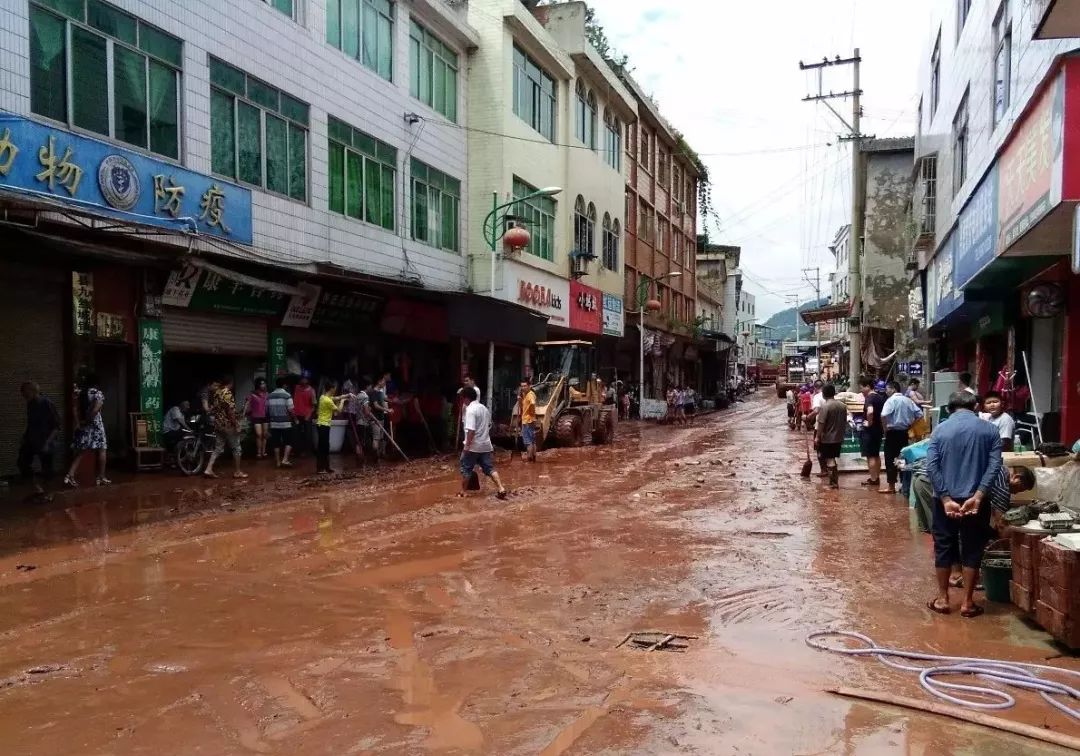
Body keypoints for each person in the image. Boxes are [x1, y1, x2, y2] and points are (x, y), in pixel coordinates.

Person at [924, 391, 1003, 618]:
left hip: (944, 502)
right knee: (973, 547)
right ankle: (968, 602)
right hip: (976, 501)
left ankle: (943, 599)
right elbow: (994, 465)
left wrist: (946, 499)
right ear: (976, 406)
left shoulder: (939, 430)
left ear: (950, 408)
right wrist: (978, 496)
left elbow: (932, 466)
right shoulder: (990, 430)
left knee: (944, 547)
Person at [458, 386, 507, 499]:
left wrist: (466, 446)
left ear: (466, 398)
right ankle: (501, 488)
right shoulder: (484, 408)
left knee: (466, 468)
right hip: (485, 445)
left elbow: (471, 430)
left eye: (463, 398)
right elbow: (489, 425)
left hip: (473, 446)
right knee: (489, 468)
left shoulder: (470, 410)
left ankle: (463, 492)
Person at [64, 373, 109, 487]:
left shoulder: (79, 393)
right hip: (95, 424)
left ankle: (69, 475)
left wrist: (79, 422)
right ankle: (101, 477)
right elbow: (96, 409)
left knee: (81, 451)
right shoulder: (97, 394)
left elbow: (74, 408)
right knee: (102, 448)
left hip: (83, 424)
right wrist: (89, 420)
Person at [880, 380, 924, 494]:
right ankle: (904, 486)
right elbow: (920, 414)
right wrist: (911, 425)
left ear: (893, 389)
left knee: (890, 459)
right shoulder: (908, 400)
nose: (886, 391)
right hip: (904, 433)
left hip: (892, 433)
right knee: (902, 458)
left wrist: (885, 429)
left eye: (887, 389)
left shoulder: (891, 401)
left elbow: (883, 415)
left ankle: (891, 486)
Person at [19, 381, 60, 497]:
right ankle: (36, 488)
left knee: (47, 469)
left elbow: (56, 426)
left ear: (33, 391)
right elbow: (30, 423)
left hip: (46, 439)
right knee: (22, 461)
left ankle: (49, 493)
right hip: (32, 439)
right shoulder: (30, 404)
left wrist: (48, 442)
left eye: (26, 394)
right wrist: (25, 437)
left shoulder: (46, 403)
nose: (24, 397)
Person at [204, 376, 246, 480]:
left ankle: (208, 469)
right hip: (227, 425)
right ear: (230, 383)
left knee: (218, 448)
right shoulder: (227, 393)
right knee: (237, 448)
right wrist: (236, 424)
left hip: (218, 424)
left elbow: (213, 408)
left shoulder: (217, 393)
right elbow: (230, 412)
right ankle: (237, 472)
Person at [815, 384, 848, 489]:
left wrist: (817, 437)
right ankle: (834, 481)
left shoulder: (825, 406)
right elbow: (844, 421)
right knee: (833, 458)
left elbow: (821, 423)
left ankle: (833, 482)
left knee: (829, 459)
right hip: (839, 437)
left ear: (824, 394)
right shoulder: (842, 406)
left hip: (828, 438)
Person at [315, 380, 348, 474]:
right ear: (332, 389)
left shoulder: (323, 397)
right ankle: (321, 469)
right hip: (324, 425)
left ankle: (325, 467)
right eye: (335, 388)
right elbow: (338, 411)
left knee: (323, 447)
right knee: (323, 447)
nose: (335, 390)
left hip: (322, 424)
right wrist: (342, 401)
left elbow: (335, 398)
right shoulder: (327, 400)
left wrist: (345, 396)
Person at [859, 378, 886, 489]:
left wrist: (869, 423)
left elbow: (870, 411)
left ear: (868, 386)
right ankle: (877, 477)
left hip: (870, 431)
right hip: (878, 430)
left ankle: (873, 479)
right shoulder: (879, 397)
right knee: (876, 454)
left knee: (871, 456)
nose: (861, 390)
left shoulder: (869, 398)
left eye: (861, 387)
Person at [266, 377, 295, 468]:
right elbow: (291, 410)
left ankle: (278, 462)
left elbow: (267, 410)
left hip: (274, 423)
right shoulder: (287, 395)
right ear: (284, 385)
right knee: (289, 441)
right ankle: (285, 460)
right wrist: (295, 419)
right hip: (286, 423)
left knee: (276, 443)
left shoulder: (269, 396)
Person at [244, 377, 270, 460]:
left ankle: (264, 452)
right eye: (261, 383)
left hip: (266, 416)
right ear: (258, 385)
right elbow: (247, 404)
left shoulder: (267, 394)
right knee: (259, 435)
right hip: (256, 416)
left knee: (265, 435)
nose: (263, 385)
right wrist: (243, 414)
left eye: (264, 383)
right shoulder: (252, 394)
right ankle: (258, 452)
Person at [292, 374, 316, 458]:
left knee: (307, 434)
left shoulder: (311, 391)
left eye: (305, 379)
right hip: (296, 414)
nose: (303, 381)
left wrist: (308, 415)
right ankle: (296, 451)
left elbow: (313, 406)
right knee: (296, 434)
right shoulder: (296, 388)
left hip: (306, 415)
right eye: (302, 379)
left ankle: (307, 451)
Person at [519, 380, 538, 462]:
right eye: (522, 386)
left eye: (525, 386)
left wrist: (531, 413)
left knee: (528, 441)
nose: (523, 388)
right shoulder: (524, 394)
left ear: (529, 386)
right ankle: (533, 458)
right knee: (532, 440)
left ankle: (529, 458)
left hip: (528, 420)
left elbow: (533, 403)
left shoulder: (530, 394)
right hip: (528, 420)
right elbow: (522, 407)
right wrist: (520, 400)